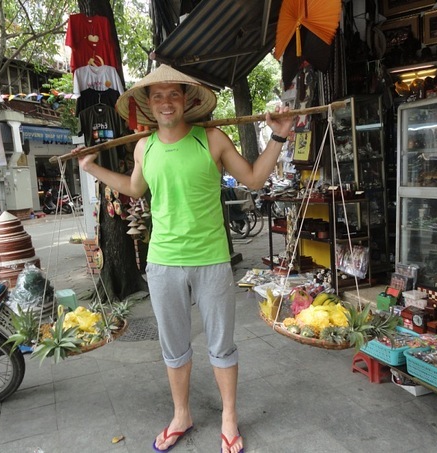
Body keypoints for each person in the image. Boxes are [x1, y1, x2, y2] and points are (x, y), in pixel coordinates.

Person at [74, 64, 294, 453]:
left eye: (173, 94)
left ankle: (229, 417)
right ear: (148, 104)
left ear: (186, 100)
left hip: (211, 260)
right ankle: (181, 415)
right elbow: (134, 188)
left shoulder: (212, 139)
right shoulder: (144, 147)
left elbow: (254, 179)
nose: (166, 102)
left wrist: (279, 135)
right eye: (157, 96)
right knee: (174, 346)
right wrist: (92, 168)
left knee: (221, 345)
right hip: (162, 263)